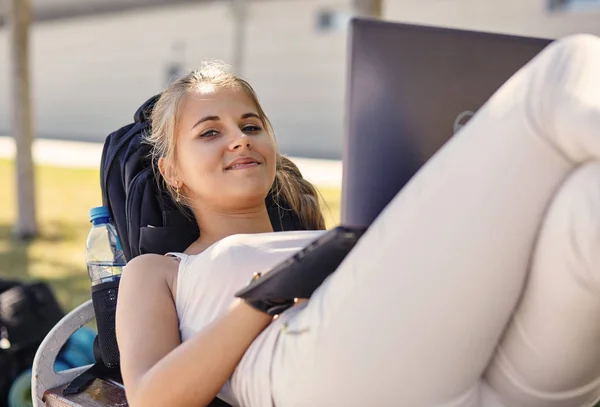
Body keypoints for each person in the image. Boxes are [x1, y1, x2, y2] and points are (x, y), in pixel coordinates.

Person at [115, 33, 600, 407]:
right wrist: (263, 300)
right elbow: (150, 397)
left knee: (585, 203)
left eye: (251, 126)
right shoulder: (161, 270)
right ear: (171, 171)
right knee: (562, 67)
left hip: (472, 358)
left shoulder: (323, 236)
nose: (239, 140)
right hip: (311, 373)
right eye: (209, 132)